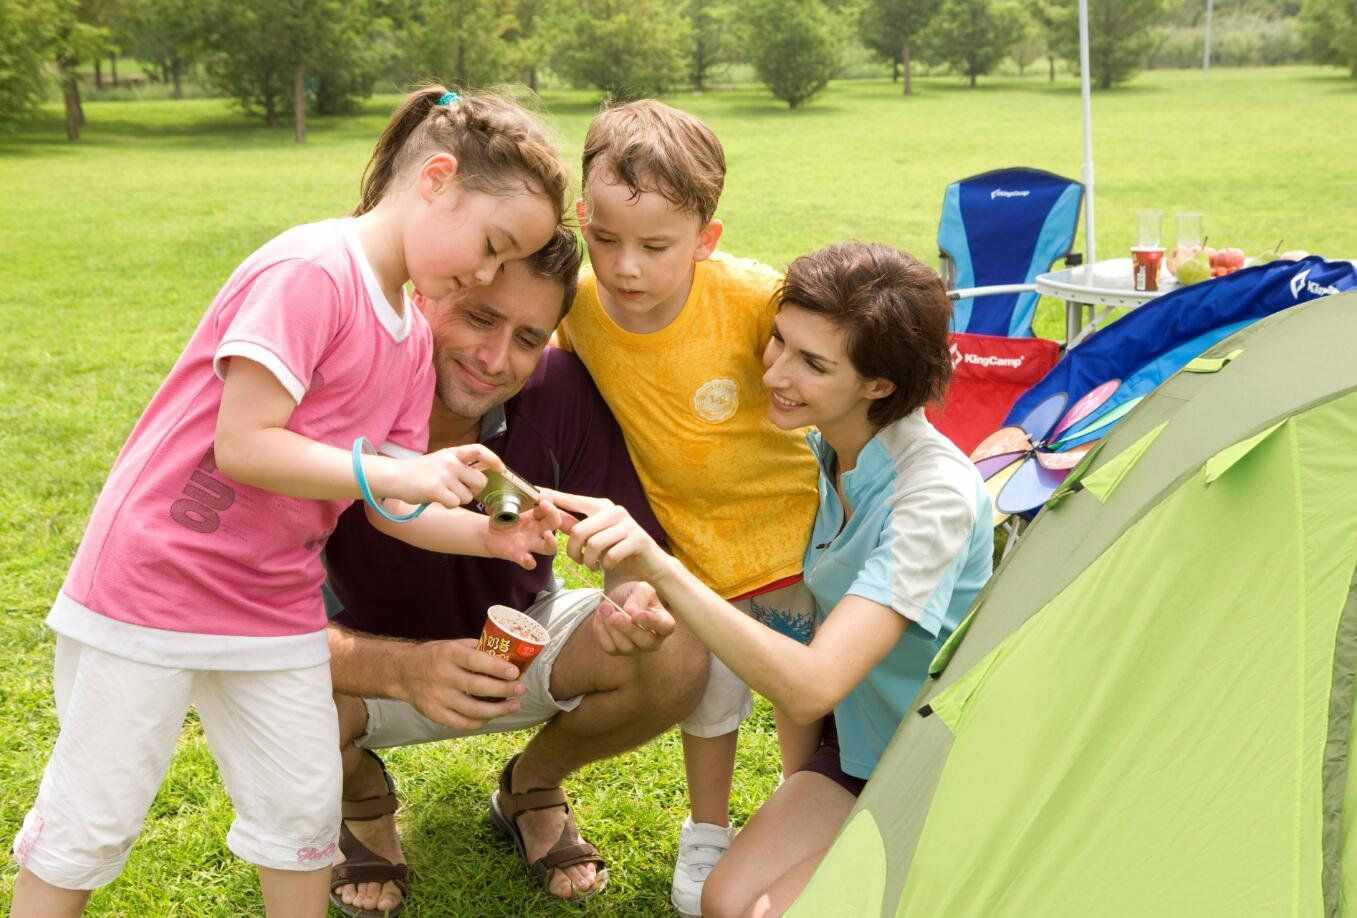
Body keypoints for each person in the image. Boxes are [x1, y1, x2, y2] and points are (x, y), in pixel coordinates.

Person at [8, 84, 569, 918]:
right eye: (489, 245)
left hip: (271, 605)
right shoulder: (311, 270)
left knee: (301, 821)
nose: (485, 273)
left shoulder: (412, 332)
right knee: (91, 822)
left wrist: (488, 537)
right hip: (151, 588)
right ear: (435, 178)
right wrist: (392, 473)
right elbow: (246, 444)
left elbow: (392, 505)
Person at [554, 242, 995, 918]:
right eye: (779, 341)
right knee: (723, 901)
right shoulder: (822, 450)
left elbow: (813, 682)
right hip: (857, 753)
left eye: (812, 364)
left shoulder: (931, 498)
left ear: (879, 385)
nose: (774, 373)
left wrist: (661, 570)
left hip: (938, 770)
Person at [323, 226, 711, 914]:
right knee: (266, 691)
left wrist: (632, 606)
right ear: (426, 291)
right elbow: (244, 625)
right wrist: (403, 670)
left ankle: (531, 787)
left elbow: (622, 549)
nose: (496, 360)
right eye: (479, 317)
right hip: (359, 667)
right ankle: (363, 802)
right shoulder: (341, 388)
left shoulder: (560, 390)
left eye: (529, 338)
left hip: (516, 638)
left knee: (679, 650)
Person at [554, 99, 822, 915]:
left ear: (705, 239)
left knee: (795, 695)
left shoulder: (753, 299)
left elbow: (823, 377)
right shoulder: (577, 307)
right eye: (605, 240)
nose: (626, 267)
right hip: (687, 549)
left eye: (655, 247)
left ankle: (800, 819)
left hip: (792, 542)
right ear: (581, 219)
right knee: (708, 698)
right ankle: (706, 831)